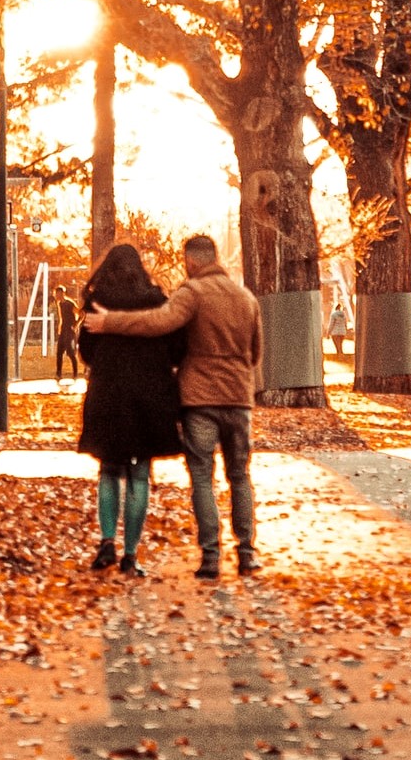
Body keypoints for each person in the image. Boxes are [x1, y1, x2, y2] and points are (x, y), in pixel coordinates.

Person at [83, 234, 262, 579]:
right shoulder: (246, 298)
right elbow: (255, 354)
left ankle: (210, 556)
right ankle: (246, 552)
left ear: (192, 262)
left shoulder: (192, 294)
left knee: (201, 478)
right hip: (239, 398)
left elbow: (159, 323)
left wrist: (109, 323)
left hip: (199, 398)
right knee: (240, 476)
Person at [78, 245, 186, 577]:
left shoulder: (97, 302)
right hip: (150, 396)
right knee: (140, 474)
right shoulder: (157, 301)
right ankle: (131, 553)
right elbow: (176, 351)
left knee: (109, 470)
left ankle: (107, 540)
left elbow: (86, 352)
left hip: (109, 393)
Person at [54, 284, 81, 383]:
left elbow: (81, 314)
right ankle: (58, 373)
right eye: (55, 294)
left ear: (62, 293)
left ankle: (75, 374)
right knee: (59, 352)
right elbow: (61, 317)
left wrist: (76, 326)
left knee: (70, 352)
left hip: (70, 330)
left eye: (58, 293)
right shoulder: (59, 304)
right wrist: (60, 327)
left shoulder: (69, 303)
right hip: (63, 329)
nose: (56, 295)